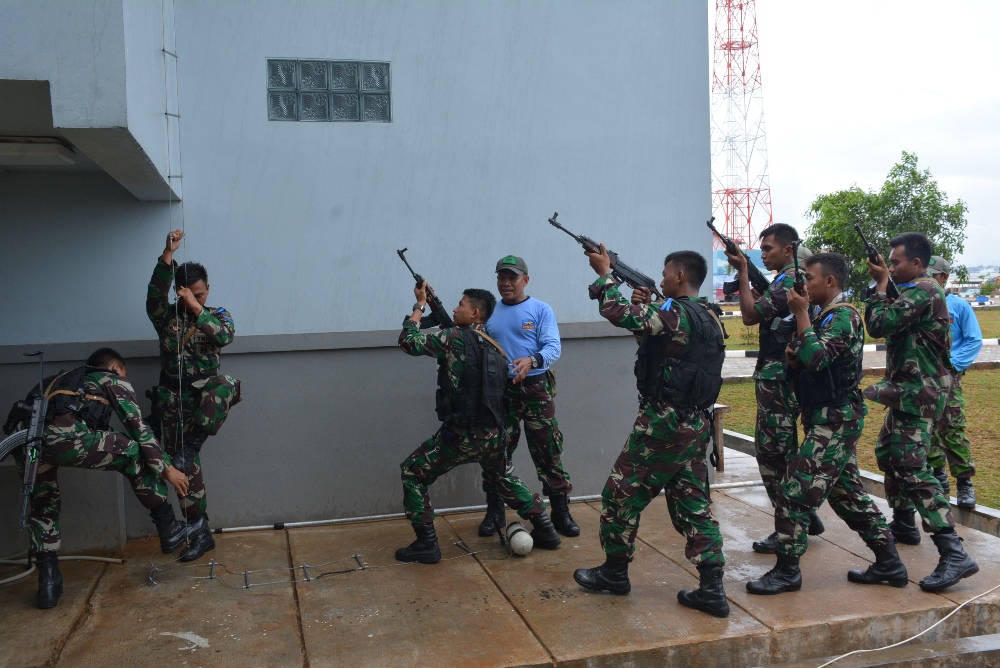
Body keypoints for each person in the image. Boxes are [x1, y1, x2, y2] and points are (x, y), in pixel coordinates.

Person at [572, 245, 730, 618]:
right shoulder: (708, 313)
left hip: (664, 422)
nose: (660, 279)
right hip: (694, 423)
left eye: (664, 273)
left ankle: (614, 573)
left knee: (619, 495)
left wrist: (604, 274)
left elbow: (621, 315)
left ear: (679, 276)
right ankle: (712, 588)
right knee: (692, 503)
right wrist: (651, 302)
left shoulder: (674, 311)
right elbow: (666, 345)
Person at [746, 252, 904, 594]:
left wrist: (801, 315)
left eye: (809, 278)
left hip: (836, 420)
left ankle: (788, 572)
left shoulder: (843, 317)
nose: (801, 284)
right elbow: (801, 358)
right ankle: (890, 562)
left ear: (829, 282)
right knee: (847, 495)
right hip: (825, 417)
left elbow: (815, 359)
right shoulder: (825, 318)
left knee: (793, 494)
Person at [3, 347, 189, 609]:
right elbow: (138, 426)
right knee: (136, 451)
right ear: (114, 368)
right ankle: (168, 527)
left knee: (43, 505)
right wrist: (167, 468)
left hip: (28, 445)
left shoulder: (60, 382)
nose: (125, 379)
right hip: (65, 440)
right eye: (124, 374)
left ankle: (48, 583)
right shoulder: (110, 378)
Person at [396, 281, 561, 563]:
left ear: (475, 314)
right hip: (494, 436)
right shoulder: (494, 344)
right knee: (505, 478)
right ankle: (546, 529)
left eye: (461, 305)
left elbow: (408, 341)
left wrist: (419, 306)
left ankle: (427, 543)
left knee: (413, 473)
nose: (456, 308)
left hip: (461, 435)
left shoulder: (453, 338)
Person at [863, 233, 978, 592]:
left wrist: (881, 284)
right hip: (906, 394)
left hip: (919, 394)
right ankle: (902, 524)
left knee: (912, 468)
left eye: (896, 262)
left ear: (916, 264)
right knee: (889, 454)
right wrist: (885, 283)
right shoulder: (916, 290)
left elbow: (878, 325)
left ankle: (952, 551)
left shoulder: (924, 290)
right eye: (890, 263)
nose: (892, 267)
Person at [724, 223, 824, 554]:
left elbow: (751, 316)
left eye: (768, 249)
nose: (762, 254)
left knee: (773, 454)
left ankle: (790, 524)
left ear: (789, 249)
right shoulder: (786, 280)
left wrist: (742, 272)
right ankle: (801, 516)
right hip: (779, 375)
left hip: (780, 378)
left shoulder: (791, 281)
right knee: (779, 452)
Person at [146, 230, 241, 562]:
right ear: (179, 290)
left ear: (207, 289)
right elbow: (154, 298)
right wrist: (167, 255)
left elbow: (225, 336)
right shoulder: (167, 319)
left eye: (201, 294)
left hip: (205, 405)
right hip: (174, 407)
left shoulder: (218, 314)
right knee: (187, 475)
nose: (197, 299)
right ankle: (201, 535)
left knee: (228, 382)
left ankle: (191, 446)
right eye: (190, 295)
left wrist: (196, 309)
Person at [475, 256, 578, 539]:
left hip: (535, 390)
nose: (506, 283)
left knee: (548, 452)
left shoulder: (540, 309)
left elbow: (553, 347)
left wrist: (531, 361)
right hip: (499, 394)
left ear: (525, 280)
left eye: (512, 278)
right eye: (501, 278)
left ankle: (560, 511)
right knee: (496, 452)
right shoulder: (489, 312)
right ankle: (495, 511)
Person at [925, 255, 981, 510]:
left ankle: (964, 483)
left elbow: (973, 340)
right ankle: (938, 478)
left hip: (949, 378)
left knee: (953, 429)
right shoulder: (918, 303)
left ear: (944, 278)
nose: (926, 280)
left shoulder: (958, 306)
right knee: (928, 431)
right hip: (923, 378)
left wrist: (952, 364)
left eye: (931, 275)